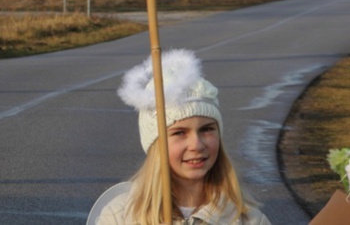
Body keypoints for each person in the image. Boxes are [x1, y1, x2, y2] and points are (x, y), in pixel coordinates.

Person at [95, 49, 270, 224]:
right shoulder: (119, 216)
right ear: (155, 143)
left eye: (206, 129)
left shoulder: (249, 220)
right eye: (179, 132)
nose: (196, 145)